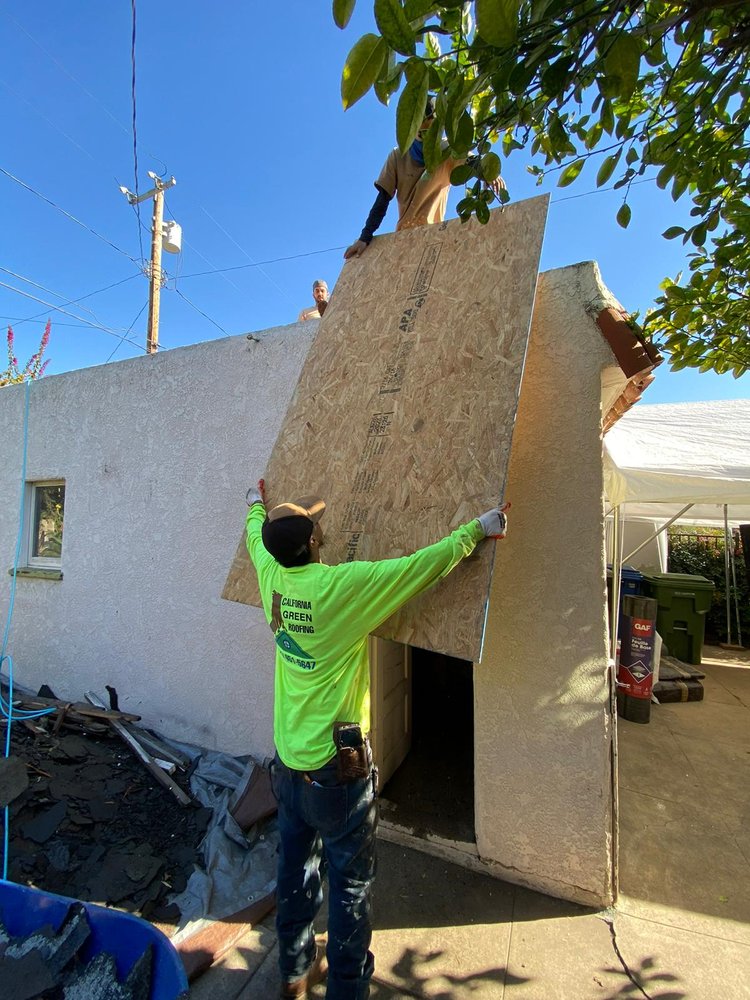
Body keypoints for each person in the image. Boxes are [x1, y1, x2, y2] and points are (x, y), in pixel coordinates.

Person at [244, 481, 509, 999]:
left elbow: (254, 535)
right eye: (318, 528)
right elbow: (417, 568)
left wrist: (254, 505)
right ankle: (347, 989)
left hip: (288, 763)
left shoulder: (269, 575)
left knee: (295, 873)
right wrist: (478, 529)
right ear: (314, 545)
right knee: (349, 886)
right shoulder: (341, 589)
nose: (324, 530)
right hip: (334, 775)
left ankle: (295, 973)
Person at [344, 98, 506, 260]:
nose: (427, 139)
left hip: (433, 236)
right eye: (422, 133)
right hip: (404, 236)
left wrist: (487, 173)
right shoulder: (397, 156)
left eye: (431, 132)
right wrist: (365, 236)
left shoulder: (447, 151)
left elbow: (471, 162)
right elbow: (383, 199)